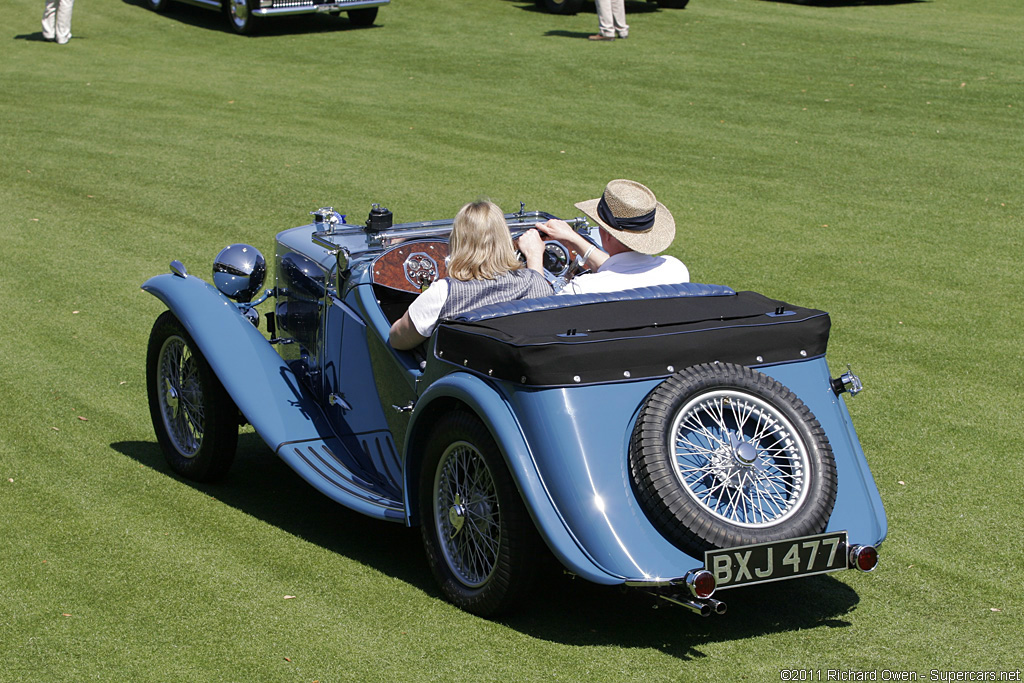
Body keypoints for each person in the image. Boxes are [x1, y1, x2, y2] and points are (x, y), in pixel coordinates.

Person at [389, 200, 553, 350]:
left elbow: (398, 340)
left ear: (457, 243)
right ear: (506, 240)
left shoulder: (443, 293)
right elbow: (539, 297)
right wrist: (534, 256)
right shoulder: (535, 282)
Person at [519, 179, 688, 295]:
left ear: (606, 234)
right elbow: (621, 270)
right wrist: (573, 238)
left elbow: (539, 310)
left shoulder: (584, 289)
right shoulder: (676, 270)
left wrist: (534, 256)